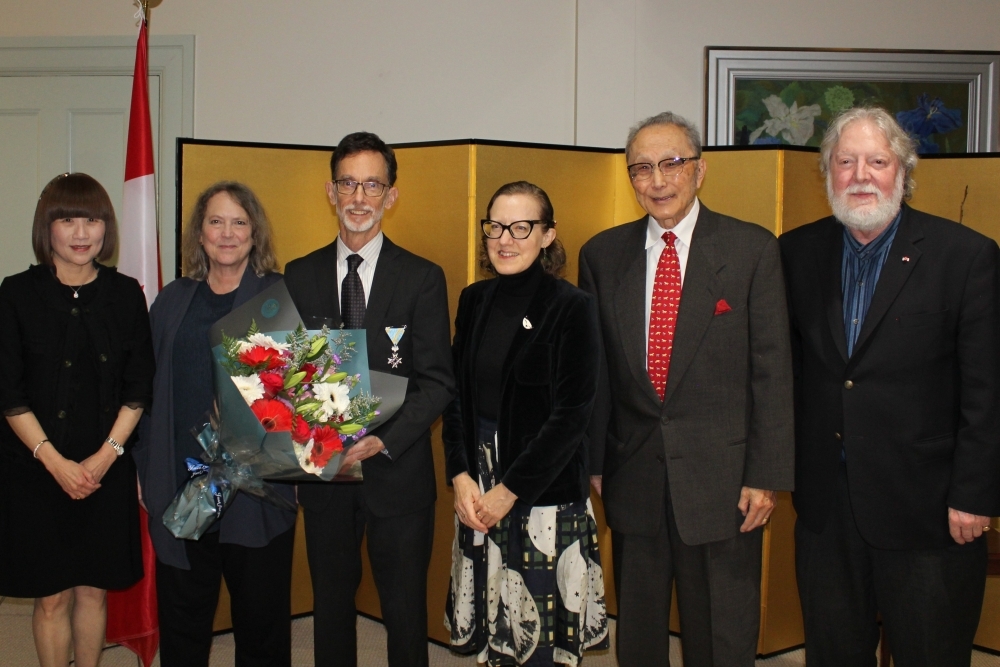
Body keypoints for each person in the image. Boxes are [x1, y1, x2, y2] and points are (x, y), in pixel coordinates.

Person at [779, 107, 1000, 667]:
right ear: (828, 172)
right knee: (833, 652)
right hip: (828, 507)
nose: (860, 174)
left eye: (876, 161)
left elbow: (988, 390)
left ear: (902, 170)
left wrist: (975, 495)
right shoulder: (795, 253)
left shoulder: (967, 257)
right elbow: (790, 375)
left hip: (929, 509)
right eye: (845, 161)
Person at [578, 112, 794, 667]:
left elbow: (772, 373)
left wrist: (765, 477)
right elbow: (597, 373)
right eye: (642, 168)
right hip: (634, 476)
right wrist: (596, 460)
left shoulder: (750, 250)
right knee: (641, 633)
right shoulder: (603, 256)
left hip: (725, 485)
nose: (658, 180)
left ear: (699, 170)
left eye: (672, 163)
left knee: (721, 634)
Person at [283, 131, 455, 667]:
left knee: (404, 613)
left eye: (372, 185)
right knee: (330, 607)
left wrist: (382, 441)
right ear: (330, 193)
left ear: (391, 195)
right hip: (327, 475)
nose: (359, 197)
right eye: (348, 183)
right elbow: (293, 377)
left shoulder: (423, 278)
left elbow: (437, 383)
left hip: (397, 473)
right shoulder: (299, 273)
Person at [441, 181, 608, 665]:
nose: (505, 239)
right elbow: (455, 397)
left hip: (541, 492)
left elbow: (572, 415)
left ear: (548, 235)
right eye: (495, 226)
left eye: (521, 227)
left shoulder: (572, 306)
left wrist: (508, 491)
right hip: (477, 483)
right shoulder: (474, 300)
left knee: (534, 638)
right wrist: (459, 475)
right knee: (493, 625)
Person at [133, 182, 297, 666]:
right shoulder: (171, 301)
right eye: (216, 222)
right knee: (183, 625)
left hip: (258, 490)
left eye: (239, 222)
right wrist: (144, 468)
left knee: (261, 627)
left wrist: (304, 467)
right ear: (199, 234)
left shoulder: (277, 295)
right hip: (182, 486)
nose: (227, 233)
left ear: (254, 233)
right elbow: (144, 392)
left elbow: (305, 391)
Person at [0, 172, 154, 667]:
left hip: (105, 466)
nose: (81, 232)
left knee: (93, 590)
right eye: (67, 220)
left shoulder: (126, 293)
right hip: (35, 469)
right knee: (52, 596)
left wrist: (105, 458)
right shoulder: (16, 293)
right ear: (48, 229)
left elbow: (138, 388)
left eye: (91, 219)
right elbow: (8, 392)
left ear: (105, 227)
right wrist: (55, 463)